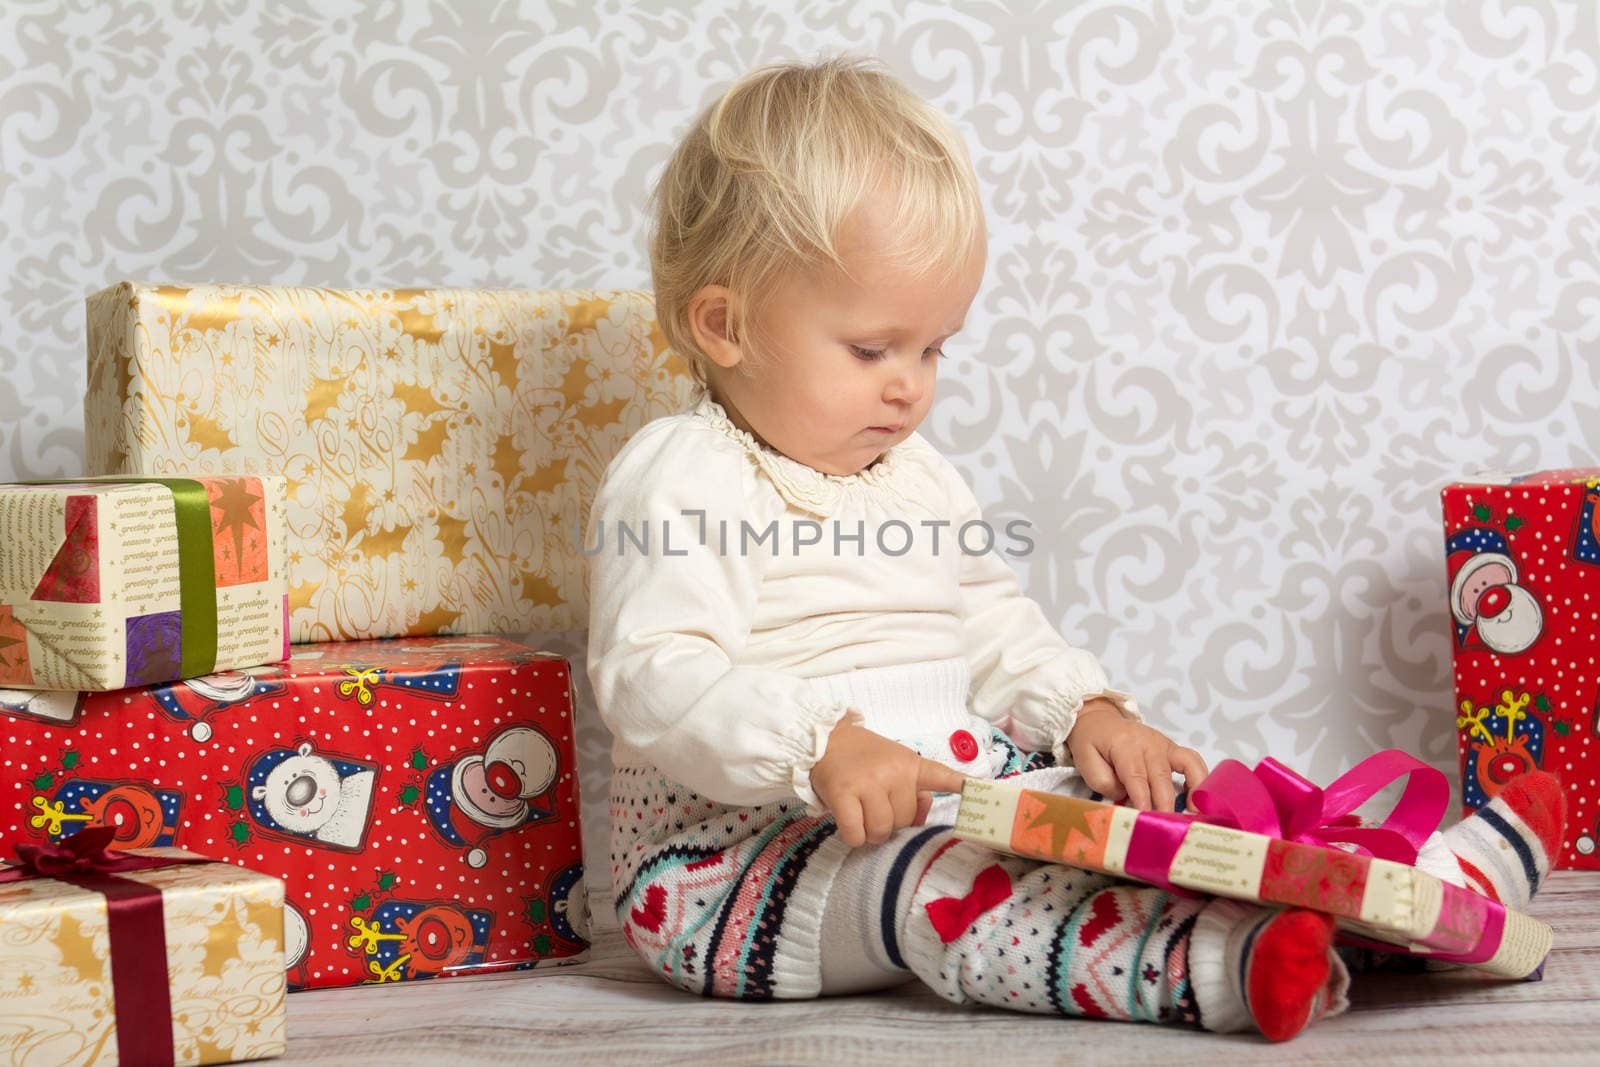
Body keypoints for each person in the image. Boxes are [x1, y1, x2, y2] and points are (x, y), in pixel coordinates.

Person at [586, 56, 1564, 1041]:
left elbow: (991, 622)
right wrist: (819, 743)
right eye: (872, 348)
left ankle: (1407, 895)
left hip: (946, 789)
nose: (909, 386)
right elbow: (656, 673)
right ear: (726, 325)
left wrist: (1085, 709)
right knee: (946, 889)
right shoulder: (683, 473)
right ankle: (1208, 965)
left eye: (933, 348)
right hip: (734, 860)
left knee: (1156, 819)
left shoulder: (915, 474)